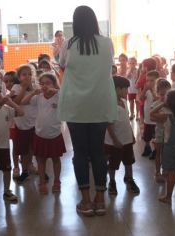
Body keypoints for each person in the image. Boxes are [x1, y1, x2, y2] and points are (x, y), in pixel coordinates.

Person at [58, 6, 117, 216]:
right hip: (100, 105)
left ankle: (85, 201)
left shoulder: (69, 44)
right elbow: (108, 65)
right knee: (98, 153)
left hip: (76, 108)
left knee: (80, 154)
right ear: (94, 21)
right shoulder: (107, 42)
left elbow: (62, 65)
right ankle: (100, 200)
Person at [21, 73, 66, 194]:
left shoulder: (58, 96)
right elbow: (24, 102)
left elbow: (67, 96)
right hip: (40, 134)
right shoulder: (39, 97)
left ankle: (57, 181)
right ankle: (42, 181)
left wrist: (56, 90)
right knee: (41, 160)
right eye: (43, 83)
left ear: (54, 84)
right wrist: (33, 93)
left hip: (55, 134)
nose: (45, 86)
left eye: (48, 83)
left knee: (56, 160)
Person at [150, 90, 175, 204]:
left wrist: (162, 103)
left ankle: (168, 197)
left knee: (171, 173)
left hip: (170, 147)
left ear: (169, 102)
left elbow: (151, 114)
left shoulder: (166, 116)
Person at [105, 76, 140, 195]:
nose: (127, 92)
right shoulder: (110, 105)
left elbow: (126, 121)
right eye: (125, 89)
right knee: (113, 163)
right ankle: (112, 181)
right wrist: (115, 140)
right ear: (117, 89)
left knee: (129, 161)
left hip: (127, 140)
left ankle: (129, 178)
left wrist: (131, 135)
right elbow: (108, 125)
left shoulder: (124, 102)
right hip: (114, 142)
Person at [11, 64, 38, 184]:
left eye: (29, 74)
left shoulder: (36, 87)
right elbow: (16, 102)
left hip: (34, 123)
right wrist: (23, 88)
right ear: (19, 77)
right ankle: (19, 168)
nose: (27, 76)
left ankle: (27, 168)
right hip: (21, 123)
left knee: (31, 147)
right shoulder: (16, 87)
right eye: (24, 74)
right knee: (21, 148)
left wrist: (32, 89)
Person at [150, 79, 171, 183]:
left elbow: (168, 118)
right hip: (159, 133)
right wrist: (162, 117)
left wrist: (161, 117)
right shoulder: (156, 104)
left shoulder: (171, 105)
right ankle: (158, 172)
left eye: (167, 94)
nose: (164, 97)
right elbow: (152, 117)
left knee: (167, 153)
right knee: (158, 153)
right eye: (162, 94)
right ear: (157, 93)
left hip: (169, 134)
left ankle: (165, 171)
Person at [140, 70, 158, 159]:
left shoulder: (159, 89)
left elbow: (157, 100)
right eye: (147, 80)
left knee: (156, 136)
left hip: (155, 119)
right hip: (147, 118)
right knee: (147, 135)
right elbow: (141, 98)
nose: (149, 82)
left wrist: (152, 90)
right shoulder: (146, 89)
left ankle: (156, 150)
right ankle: (147, 147)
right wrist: (145, 90)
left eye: (152, 80)